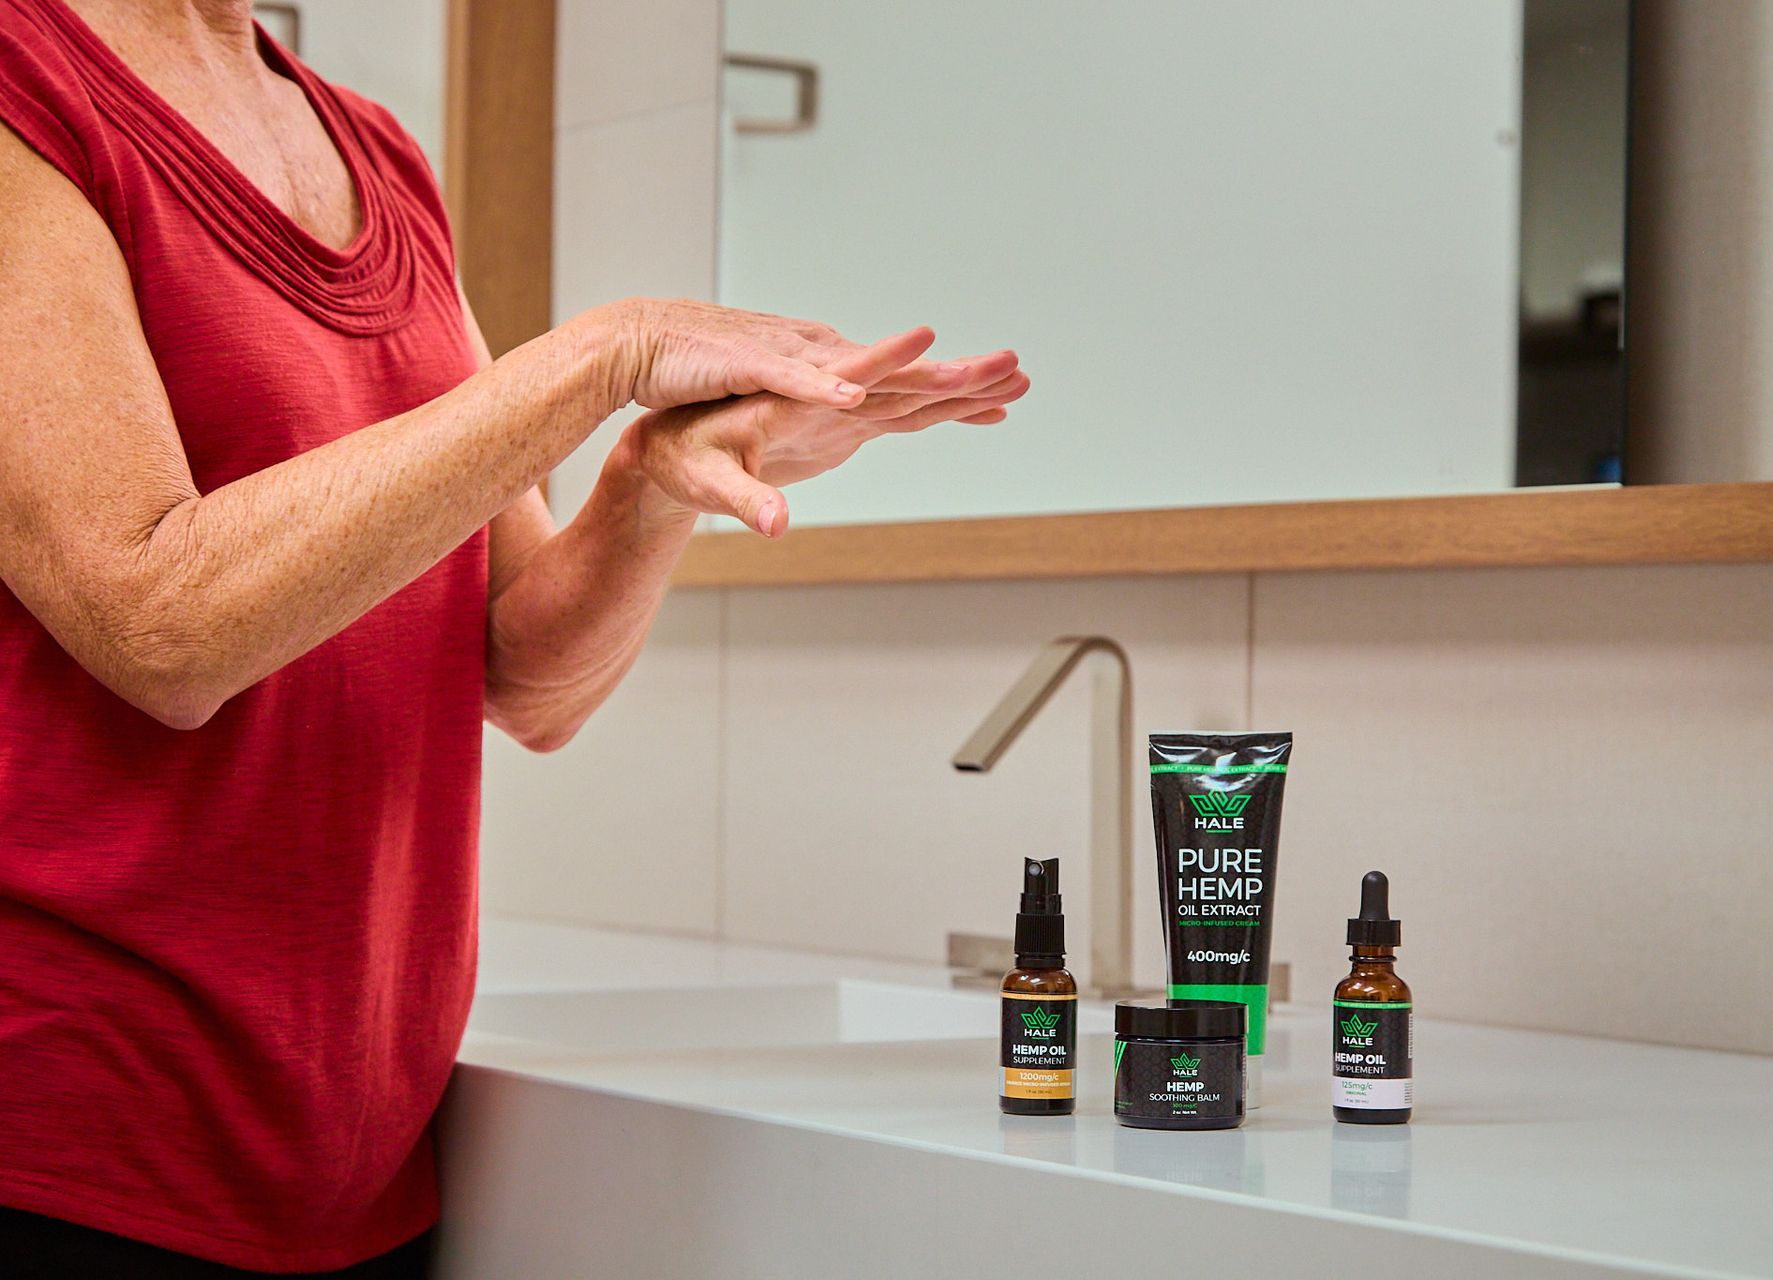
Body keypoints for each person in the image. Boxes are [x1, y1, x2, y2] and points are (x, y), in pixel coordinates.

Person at [0, 0, 1029, 1273]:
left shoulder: (377, 155)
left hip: (360, 1165)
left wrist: (654, 479)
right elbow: (155, 623)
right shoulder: (24, 84)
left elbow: (520, 671)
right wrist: (600, 355)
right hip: (70, 1152)